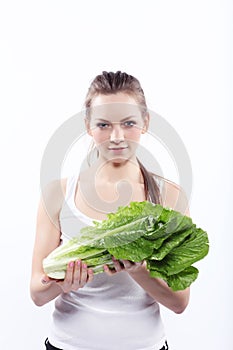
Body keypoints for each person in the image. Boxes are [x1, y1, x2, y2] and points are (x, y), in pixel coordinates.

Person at [30, 71, 190, 350]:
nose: (116, 137)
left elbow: (180, 301)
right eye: (103, 124)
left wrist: (140, 270)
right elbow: (37, 293)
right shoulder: (58, 194)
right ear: (88, 126)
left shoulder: (169, 196)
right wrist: (62, 284)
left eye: (128, 123)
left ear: (145, 123)